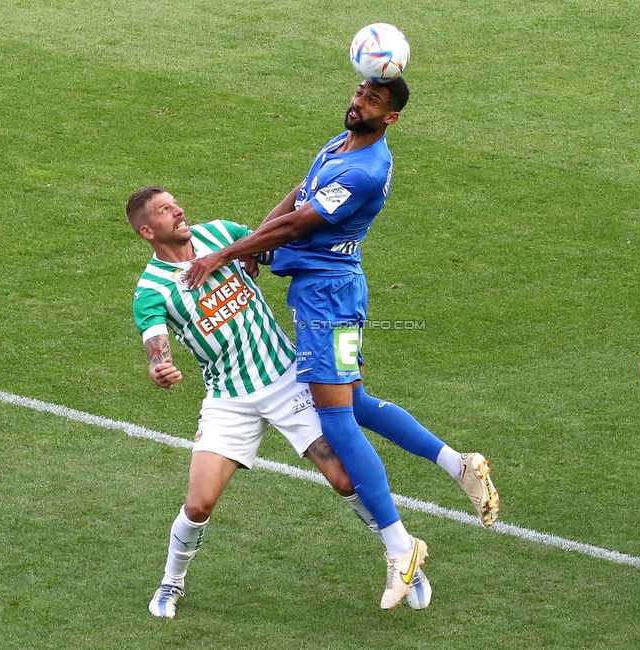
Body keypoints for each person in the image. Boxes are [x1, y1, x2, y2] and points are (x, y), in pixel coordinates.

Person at [182, 76, 500, 602]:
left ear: (391, 118)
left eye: (373, 100)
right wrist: (254, 243)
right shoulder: (343, 142)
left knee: (336, 417)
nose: (359, 102)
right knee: (356, 400)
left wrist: (226, 254)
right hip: (334, 295)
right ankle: (459, 465)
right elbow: (298, 195)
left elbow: (300, 222)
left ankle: (401, 547)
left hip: (326, 303)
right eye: (359, 92)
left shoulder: (364, 168)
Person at [126, 186, 429, 617]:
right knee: (198, 505)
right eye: (163, 210)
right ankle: (170, 584)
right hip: (228, 399)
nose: (177, 210)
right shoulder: (151, 289)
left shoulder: (221, 235)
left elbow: (274, 246)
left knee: (344, 479)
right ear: (146, 230)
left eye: (175, 202)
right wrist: (161, 367)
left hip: (288, 381)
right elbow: (157, 346)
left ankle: (403, 558)